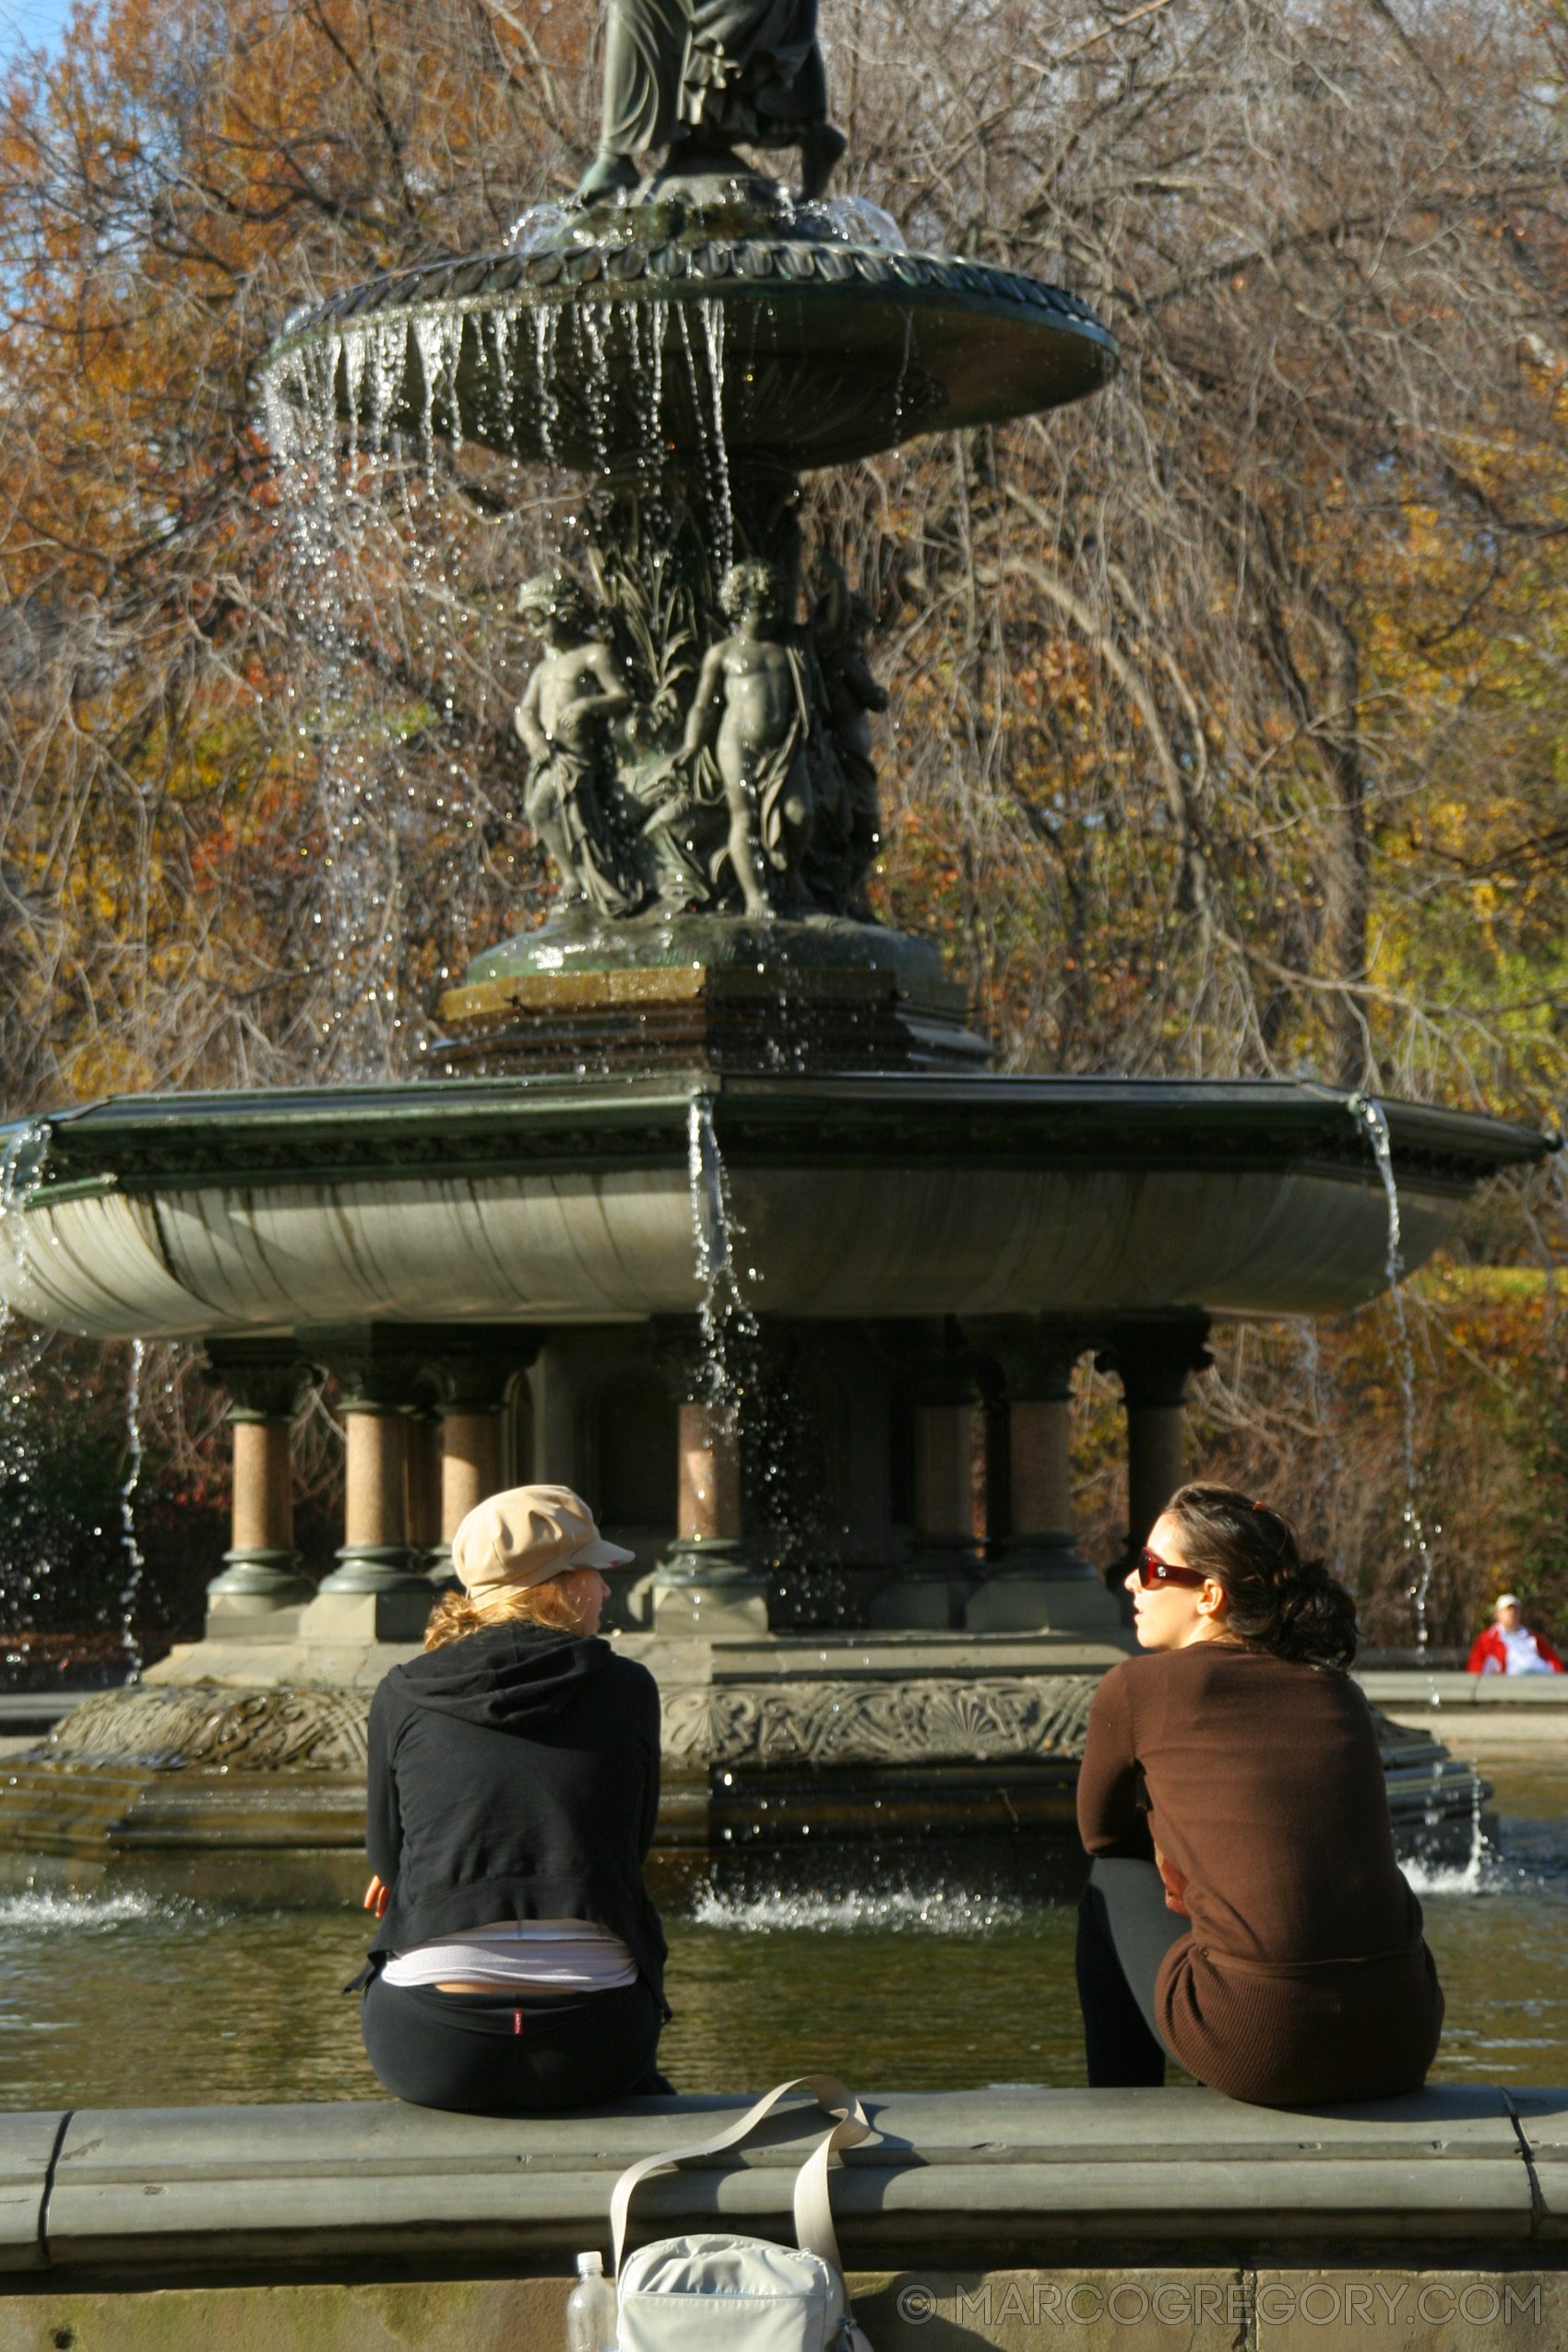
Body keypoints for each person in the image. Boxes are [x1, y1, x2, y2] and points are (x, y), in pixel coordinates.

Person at [1075, 1483, 1443, 2107]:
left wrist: (1179, 1853)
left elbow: (1103, 1836)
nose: (1132, 1584)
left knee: (1108, 1883)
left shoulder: (1135, 1687)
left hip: (1263, 2042)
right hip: (1402, 2031)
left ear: (1210, 1597)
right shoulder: (1338, 1690)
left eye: (1151, 1569)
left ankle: (1120, 2124)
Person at [353, 1484, 671, 2114]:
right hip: (598, 2041)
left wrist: (430, 1870)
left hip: (431, 2046)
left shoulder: (402, 1693)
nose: (608, 1591)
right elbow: (627, 1850)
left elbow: (388, 1861)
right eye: (595, 1573)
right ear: (554, 1584)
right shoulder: (631, 1688)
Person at [1467, 1592, 1564, 1676]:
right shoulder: (1489, 1638)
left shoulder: (1532, 1636)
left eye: (1515, 1609)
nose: (1512, 1612)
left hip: (1543, 1676)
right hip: (1515, 1682)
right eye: (1508, 1609)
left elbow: (1552, 1660)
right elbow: (1476, 1667)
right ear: (1497, 1613)